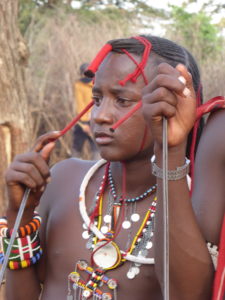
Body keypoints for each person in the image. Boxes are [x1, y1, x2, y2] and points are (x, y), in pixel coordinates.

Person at [2, 35, 220, 300]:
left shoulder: (197, 201)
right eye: (96, 99)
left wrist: (170, 152)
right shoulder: (63, 179)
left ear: (176, 106)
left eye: (122, 101)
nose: (100, 115)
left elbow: (187, 296)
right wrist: (20, 217)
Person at [73, 62, 98, 159]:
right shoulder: (79, 85)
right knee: (77, 148)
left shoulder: (97, 83)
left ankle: (97, 168)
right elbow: (80, 105)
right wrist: (83, 124)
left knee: (96, 149)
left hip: (93, 120)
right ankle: (74, 167)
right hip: (84, 121)